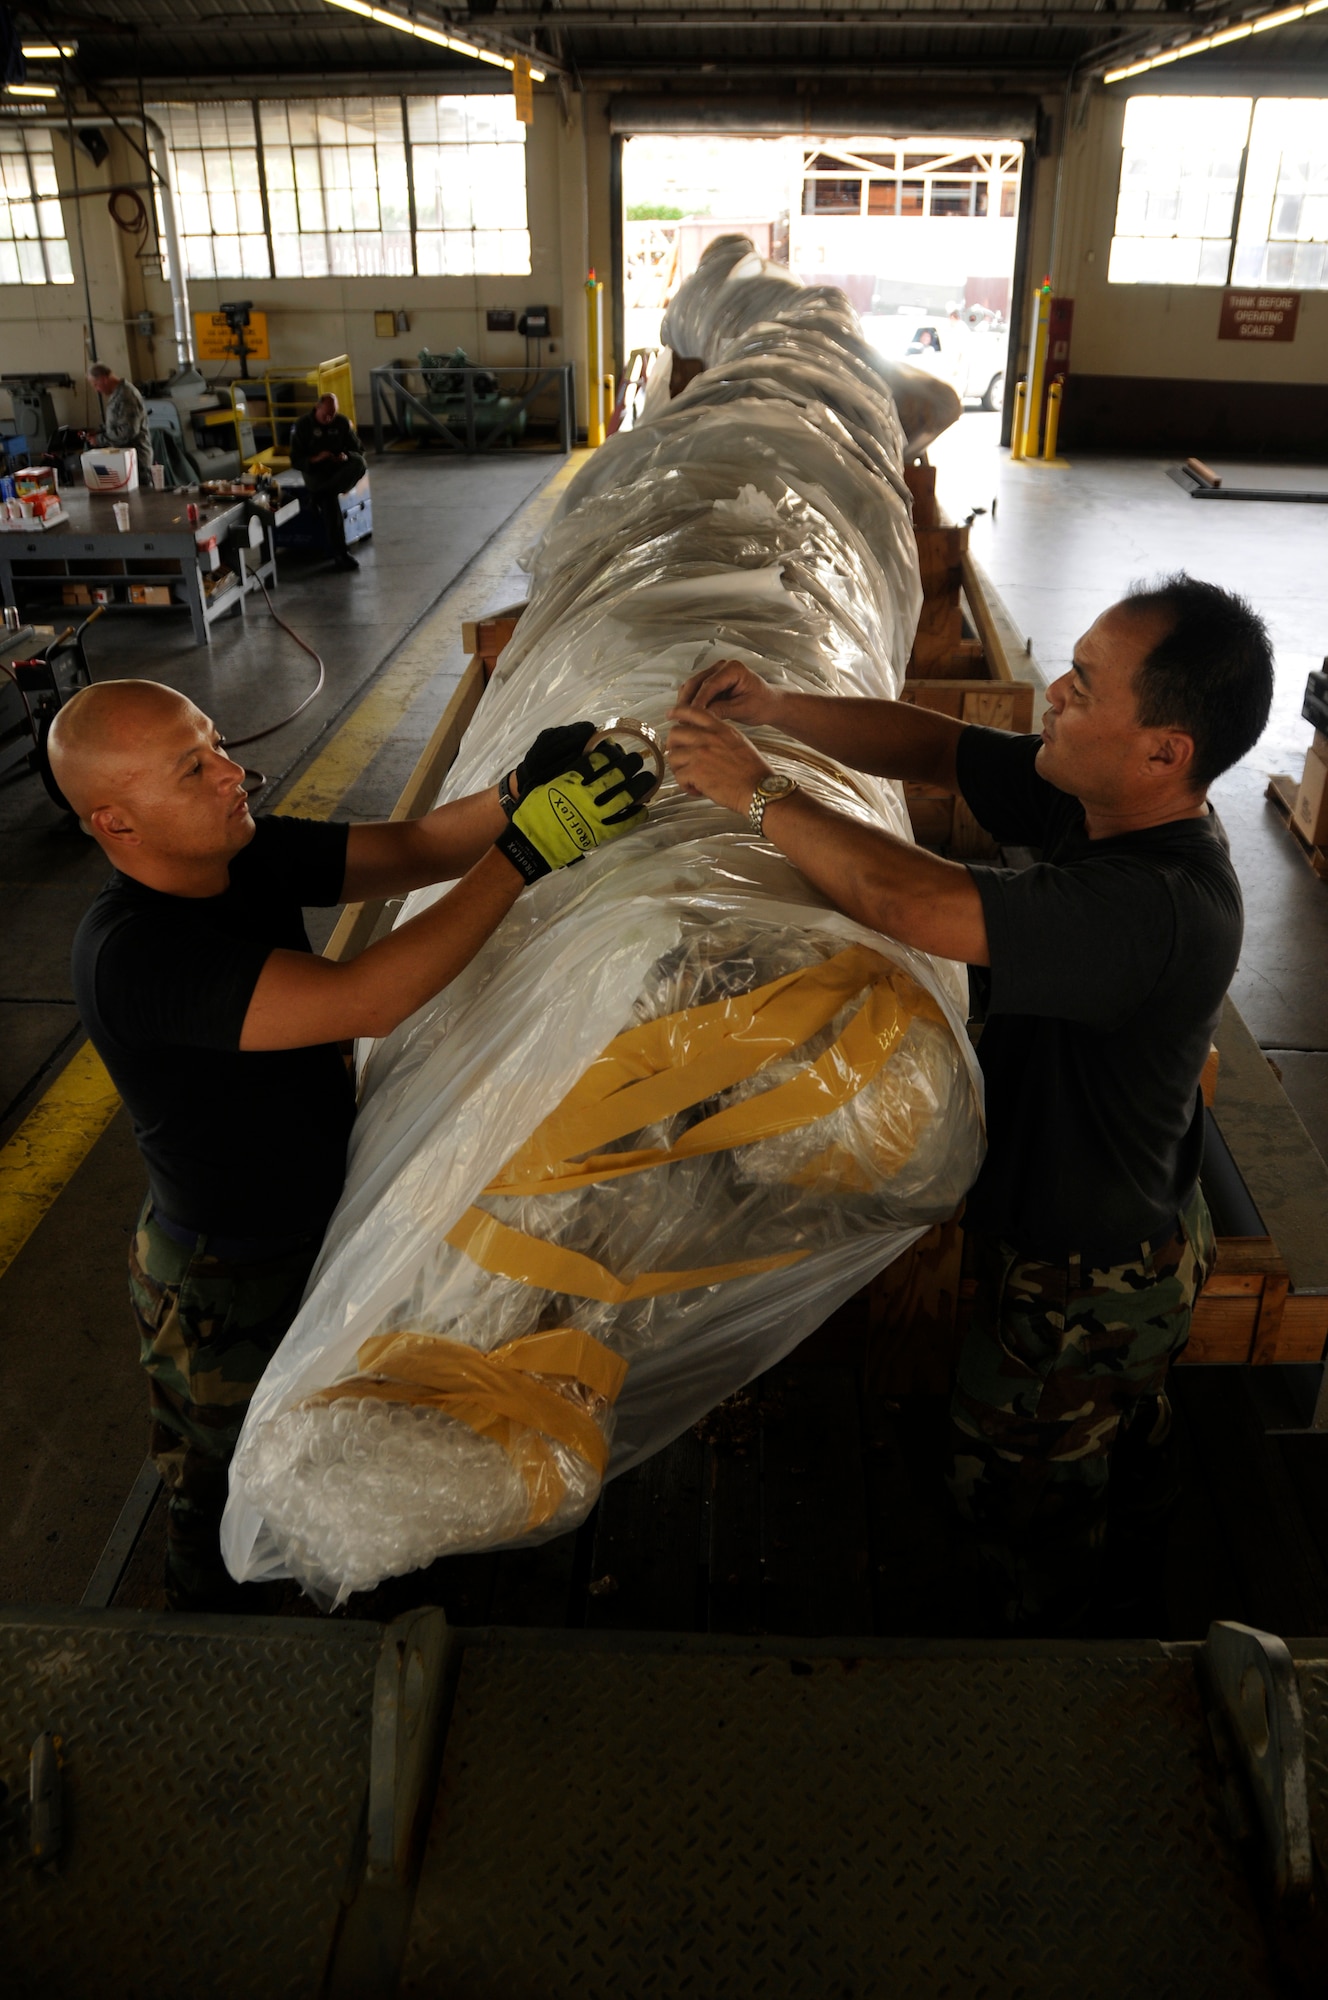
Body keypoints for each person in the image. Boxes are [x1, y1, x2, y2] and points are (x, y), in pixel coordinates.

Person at [667, 573, 1275, 1633]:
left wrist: (755, 793)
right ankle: (1130, 1568)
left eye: (1082, 686)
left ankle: (1058, 1674)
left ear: (1162, 749)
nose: (1051, 694)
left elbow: (913, 900)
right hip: (1122, 1226)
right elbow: (934, 745)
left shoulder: (1152, 905)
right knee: (1120, 1451)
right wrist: (773, 706)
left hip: (1080, 1274)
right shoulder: (1103, 800)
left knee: (1018, 1498)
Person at [49, 683, 650, 1610]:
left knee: (313, 1445)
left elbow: (410, 852)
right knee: (226, 1491)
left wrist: (517, 788)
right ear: (118, 821)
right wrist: (525, 852)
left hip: (309, 1222)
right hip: (226, 1278)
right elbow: (363, 998)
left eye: (216, 743)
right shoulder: (136, 953)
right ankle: (205, 1658)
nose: (231, 774)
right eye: (195, 768)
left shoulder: (236, 851)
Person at [288, 392, 366, 574]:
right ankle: (340, 554)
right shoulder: (302, 426)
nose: (329, 419)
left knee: (359, 463)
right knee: (330, 501)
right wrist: (316, 458)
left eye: (333, 414)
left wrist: (345, 456)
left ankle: (318, 495)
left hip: (338, 470)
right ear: (317, 408)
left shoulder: (341, 423)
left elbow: (359, 450)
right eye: (326, 415)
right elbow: (296, 460)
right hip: (316, 472)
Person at [88, 362, 154, 485]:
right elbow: (118, 423)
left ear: (104, 379)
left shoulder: (125, 396)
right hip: (125, 459)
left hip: (136, 461)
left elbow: (127, 432)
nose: (97, 389)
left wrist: (100, 439)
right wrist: (100, 430)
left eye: (96, 385)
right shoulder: (118, 394)